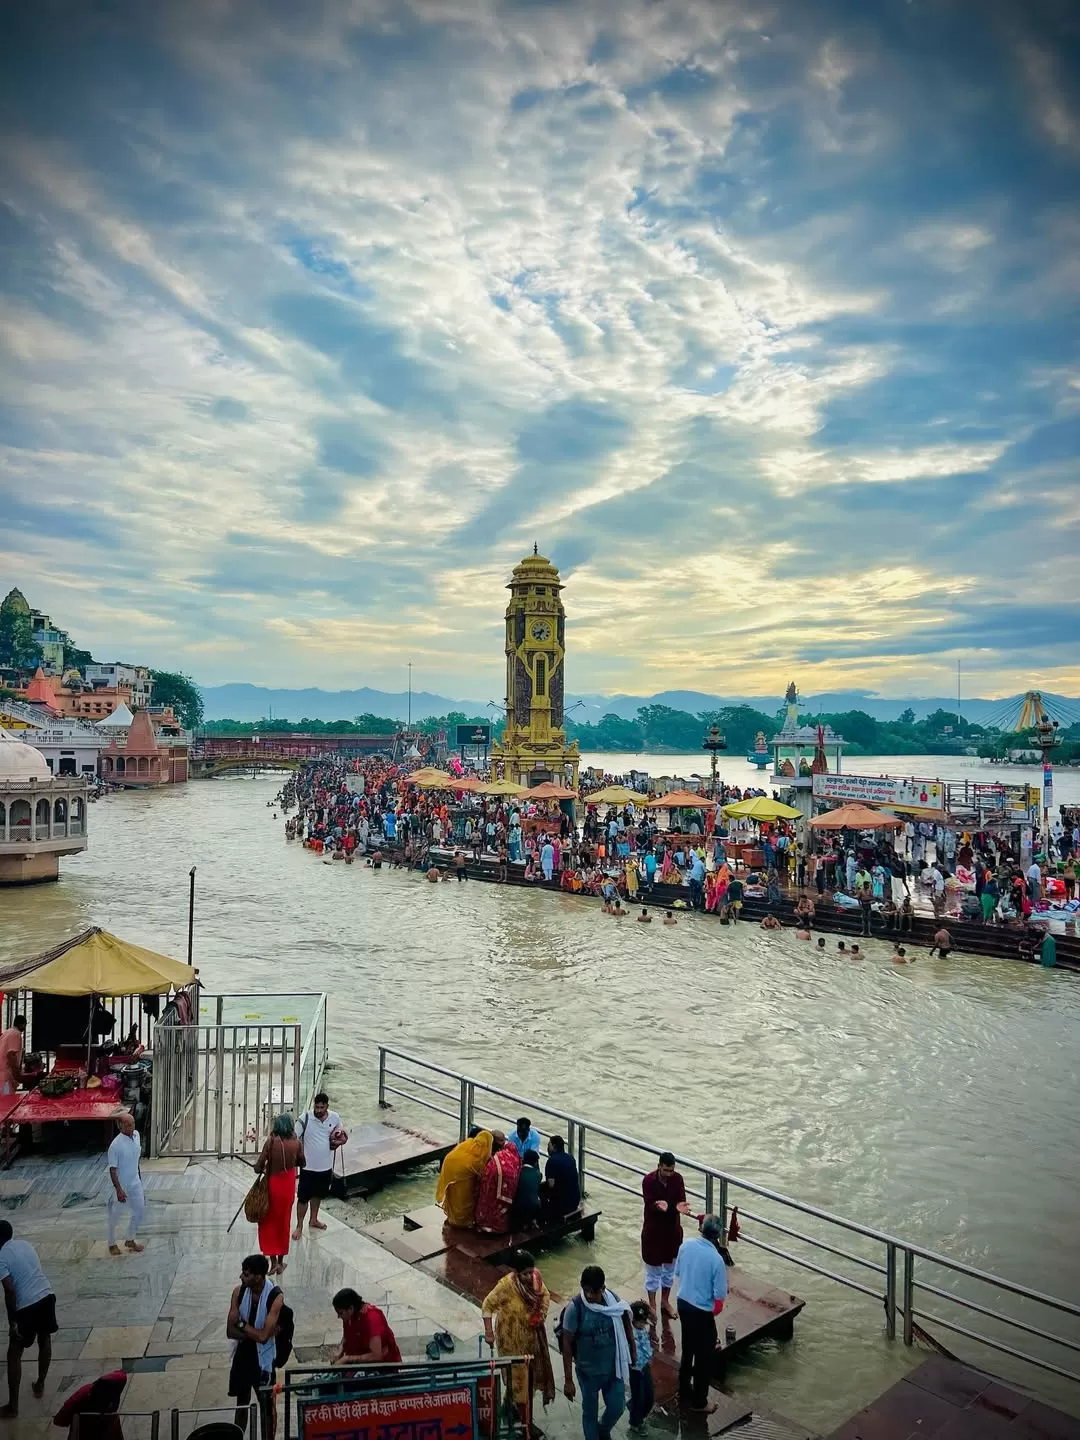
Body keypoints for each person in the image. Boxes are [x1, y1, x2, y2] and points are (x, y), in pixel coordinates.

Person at [560, 1265, 636, 1440]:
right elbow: (567, 1343)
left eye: (593, 1292)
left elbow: (625, 1320)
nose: (588, 1296)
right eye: (585, 1290)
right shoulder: (575, 1308)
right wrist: (568, 1380)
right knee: (590, 1414)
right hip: (588, 1374)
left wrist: (632, 1349)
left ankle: (603, 1430)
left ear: (602, 1288)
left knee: (617, 1407)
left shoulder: (613, 1300)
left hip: (612, 1369)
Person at [482, 1251, 556, 1410]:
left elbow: (545, 1295)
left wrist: (541, 1314)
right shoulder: (505, 1286)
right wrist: (489, 1333)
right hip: (510, 1340)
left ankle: (511, 1403)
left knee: (529, 1374)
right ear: (516, 1272)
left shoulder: (536, 1280)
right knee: (518, 1377)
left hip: (531, 1337)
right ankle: (523, 1416)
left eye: (531, 1272)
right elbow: (487, 1306)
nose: (530, 1277)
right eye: (525, 1274)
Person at [673, 1214, 728, 1417]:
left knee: (688, 1349)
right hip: (701, 1311)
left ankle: (684, 1388)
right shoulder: (716, 1260)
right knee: (704, 1358)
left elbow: (677, 1272)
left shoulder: (685, 1245)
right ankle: (700, 1401)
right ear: (718, 1235)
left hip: (682, 1304)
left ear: (701, 1229)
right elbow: (720, 1297)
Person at [0, 1222, 55, 1417]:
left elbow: (9, 1290)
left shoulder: (0, 1256)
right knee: (44, 1339)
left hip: (27, 1305)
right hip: (46, 1295)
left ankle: (13, 1407)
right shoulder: (25, 1244)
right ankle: (40, 1384)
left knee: (14, 1352)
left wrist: (13, 1321)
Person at [227, 1254, 283, 1435]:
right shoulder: (238, 1292)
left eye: (245, 1274)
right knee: (241, 1404)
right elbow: (230, 1331)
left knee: (267, 1405)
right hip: (243, 1356)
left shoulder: (275, 1296)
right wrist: (254, 1333)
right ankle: (239, 1435)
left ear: (258, 1277)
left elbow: (263, 1337)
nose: (241, 1277)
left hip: (263, 1359)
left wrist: (242, 1325)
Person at [641, 1152, 689, 1321]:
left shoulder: (678, 1179)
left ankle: (665, 1301)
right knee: (653, 1273)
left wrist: (676, 1207)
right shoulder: (648, 1181)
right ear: (659, 1166)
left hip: (672, 1232)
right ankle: (652, 1305)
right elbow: (650, 1204)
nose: (669, 1174)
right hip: (653, 1233)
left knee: (669, 1271)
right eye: (666, 1170)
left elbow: (681, 1201)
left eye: (671, 1170)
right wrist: (667, 1207)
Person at [254, 1115, 304, 1275]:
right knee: (284, 1223)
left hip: (272, 1185)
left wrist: (262, 1166)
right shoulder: (297, 1143)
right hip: (287, 1186)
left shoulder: (270, 1142)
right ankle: (281, 1263)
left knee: (268, 1223)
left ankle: (273, 1261)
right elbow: (302, 1163)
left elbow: (258, 1166)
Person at [293, 1092, 344, 1239]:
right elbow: (294, 1137)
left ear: (327, 1106)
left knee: (318, 1195)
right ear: (313, 1105)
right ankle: (299, 1226)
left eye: (322, 1107)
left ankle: (313, 1219)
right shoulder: (305, 1118)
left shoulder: (335, 1117)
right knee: (303, 1198)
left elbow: (339, 1131)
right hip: (308, 1168)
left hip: (325, 1167)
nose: (319, 1110)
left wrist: (339, 1138)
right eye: (317, 1106)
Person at [436, 1129, 493, 1226]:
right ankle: (462, 1222)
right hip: (460, 1174)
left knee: (453, 1194)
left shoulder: (468, 1144)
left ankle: (452, 1217)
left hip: (450, 1167)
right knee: (464, 1198)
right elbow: (483, 1173)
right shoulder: (479, 1155)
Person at [107, 1112, 145, 1255]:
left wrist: (139, 1178)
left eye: (132, 1123)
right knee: (115, 1215)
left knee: (139, 1210)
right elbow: (112, 1170)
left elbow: (136, 1159)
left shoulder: (136, 1136)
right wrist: (118, 1189)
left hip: (135, 1181)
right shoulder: (115, 1146)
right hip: (121, 1184)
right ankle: (111, 1243)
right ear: (120, 1126)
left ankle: (130, 1238)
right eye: (127, 1124)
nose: (131, 1127)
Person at [331, 1287, 402, 1362]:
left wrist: (348, 1359)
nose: (339, 1316)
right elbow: (347, 1335)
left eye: (340, 1313)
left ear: (350, 1308)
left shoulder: (371, 1319)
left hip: (381, 1365)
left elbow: (376, 1355)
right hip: (360, 1361)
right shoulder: (349, 1316)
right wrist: (340, 1349)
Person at [476, 1131, 521, 1234]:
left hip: (491, 1180)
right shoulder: (512, 1154)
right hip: (504, 1186)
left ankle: (484, 1222)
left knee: (487, 1198)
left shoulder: (490, 1157)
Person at [627, 1301, 654, 1433]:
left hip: (645, 1366)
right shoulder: (628, 1332)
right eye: (640, 1321)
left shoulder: (642, 1328)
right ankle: (635, 1422)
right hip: (635, 1370)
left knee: (650, 1397)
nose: (643, 1324)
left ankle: (635, 1410)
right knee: (639, 1397)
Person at [542, 1135, 581, 1221]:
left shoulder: (551, 1162)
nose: (547, 1148)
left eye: (549, 1145)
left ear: (554, 1147)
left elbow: (551, 1185)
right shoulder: (571, 1158)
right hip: (575, 1202)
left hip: (562, 1206)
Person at [511, 1151, 542, 1230]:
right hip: (535, 1208)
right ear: (535, 1163)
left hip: (519, 1208)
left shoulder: (518, 1172)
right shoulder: (538, 1174)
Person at [0, 1018, 25, 1097]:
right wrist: (17, 1074)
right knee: (7, 1100)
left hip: (2, 1073)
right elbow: (11, 1055)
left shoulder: (7, 1032)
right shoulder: (16, 1034)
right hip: (6, 1077)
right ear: (22, 1024)